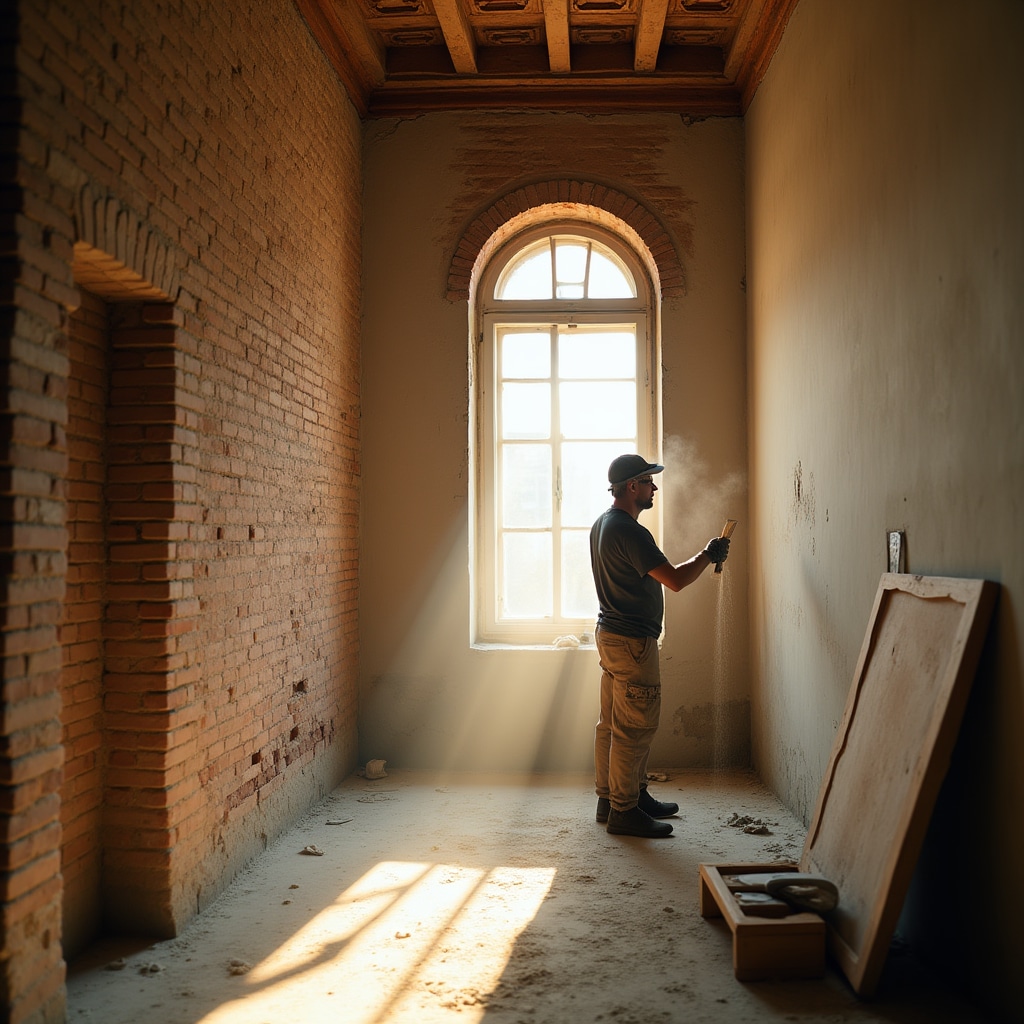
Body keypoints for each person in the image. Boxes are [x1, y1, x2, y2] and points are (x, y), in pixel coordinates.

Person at [590, 453, 730, 838]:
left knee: (611, 725)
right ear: (631, 486)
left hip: (610, 635)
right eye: (649, 482)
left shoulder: (603, 523)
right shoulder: (631, 532)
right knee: (634, 727)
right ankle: (625, 810)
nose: (654, 488)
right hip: (633, 642)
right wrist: (708, 554)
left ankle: (615, 798)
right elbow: (675, 579)